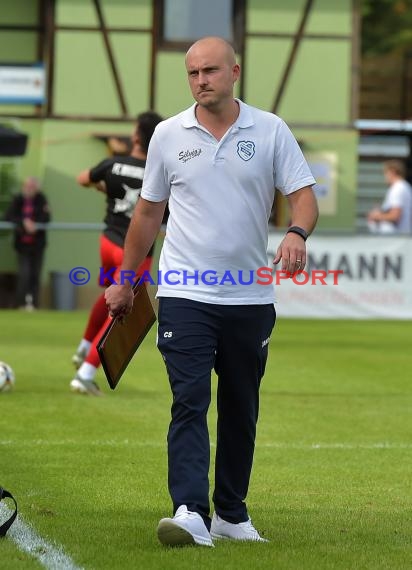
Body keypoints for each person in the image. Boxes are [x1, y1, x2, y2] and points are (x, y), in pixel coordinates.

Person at [105, 37, 318, 547]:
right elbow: (148, 213)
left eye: (211, 71)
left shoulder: (270, 130)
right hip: (183, 292)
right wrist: (127, 279)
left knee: (242, 405)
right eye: (193, 73)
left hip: (250, 297)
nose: (202, 80)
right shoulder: (166, 134)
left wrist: (296, 233)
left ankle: (231, 514)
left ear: (235, 71)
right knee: (191, 398)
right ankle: (190, 512)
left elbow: (304, 199)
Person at [70, 111, 163, 396]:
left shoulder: (113, 163)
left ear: (136, 136)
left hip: (108, 243)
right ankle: (86, 373)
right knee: (122, 310)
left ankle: (84, 346)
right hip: (135, 253)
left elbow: (82, 179)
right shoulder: (159, 173)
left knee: (108, 295)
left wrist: (106, 188)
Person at [4, 177, 51, 310]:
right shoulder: (18, 199)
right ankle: (21, 303)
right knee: (24, 273)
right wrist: (24, 222)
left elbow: (46, 217)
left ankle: (34, 304)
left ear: (36, 188)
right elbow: (9, 216)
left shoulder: (41, 199)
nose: (29, 189)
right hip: (22, 245)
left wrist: (35, 225)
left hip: (37, 245)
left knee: (35, 274)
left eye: (32, 186)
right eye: (27, 186)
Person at [367, 159, 412, 234]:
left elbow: (395, 216)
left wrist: (375, 216)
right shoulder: (405, 187)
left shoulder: (397, 189)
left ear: (392, 172)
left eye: (385, 173)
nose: (384, 177)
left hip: (395, 237)